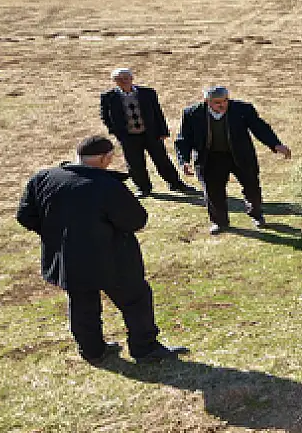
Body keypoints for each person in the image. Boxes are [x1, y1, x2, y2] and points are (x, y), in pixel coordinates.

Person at [16, 135, 188, 365]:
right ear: (106, 158)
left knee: (82, 305)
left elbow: (25, 216)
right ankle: (144, 348)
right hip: (112, 259)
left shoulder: (43, 178)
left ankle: (92, 351)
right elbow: (135, 220)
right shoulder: (106, 186)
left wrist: (55, 235)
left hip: (69, 259)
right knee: (136, 300)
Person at [175, 86, 291, 234]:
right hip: (210, 158)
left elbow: (259, 127)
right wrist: (183, 160)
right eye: (217, 102)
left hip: (240, 155)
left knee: (252, 188)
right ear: (206, 101)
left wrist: (275, 144)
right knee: (213, 192)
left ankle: (256, 215)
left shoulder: (242, 109)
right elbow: (184, 139)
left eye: (225, 101)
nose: (222, 105)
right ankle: (220, 222)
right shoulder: (192, 113)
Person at [99, 67, 195, 197]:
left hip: (151, 134)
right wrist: (117, 133)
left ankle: (176, 184)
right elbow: (105, 116)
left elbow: (157, 112)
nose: (124, 81)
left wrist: (163, 131)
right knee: (135, 163)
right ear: (114, 81)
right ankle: (143, 188)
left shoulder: (147, 93)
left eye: (126, 78)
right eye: (119, 79)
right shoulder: (108, 97)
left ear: (132, 78)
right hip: (129, 136)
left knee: (162, 160)